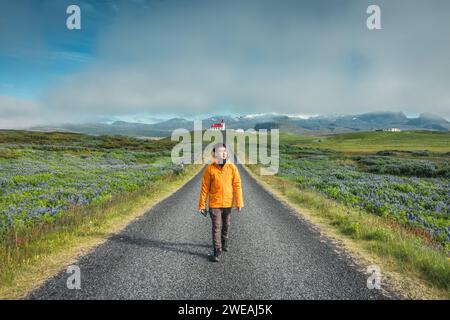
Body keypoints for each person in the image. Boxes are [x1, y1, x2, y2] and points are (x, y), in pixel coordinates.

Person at [198, 143, 244, 262]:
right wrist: (202, 205)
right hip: (215, 204)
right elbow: (204, 188)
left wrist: (239, 203)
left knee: (226, 224)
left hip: (228, 203)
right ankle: (217, 250)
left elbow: (237, 185)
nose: (223, 153)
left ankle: (224, 240)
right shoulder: (210, 169)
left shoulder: (232, 167)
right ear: (215, 154)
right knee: (216, 227)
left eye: (224, 151)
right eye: (220, 151)